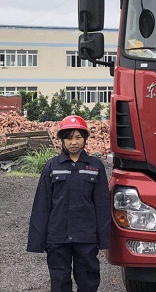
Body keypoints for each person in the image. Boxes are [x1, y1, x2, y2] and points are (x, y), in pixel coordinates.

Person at [27, 115, 111, 292]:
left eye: (78, 137)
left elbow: (102, 205)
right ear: (62, 140)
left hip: (86, 236)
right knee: (59, 280)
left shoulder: (95, 166)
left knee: (88, 280)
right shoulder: (52, 166)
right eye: (69, 138)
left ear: (85, 139)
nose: (74, 142)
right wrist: (37, 240)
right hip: (57, 236)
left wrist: (104, 238)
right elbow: (42, 205)